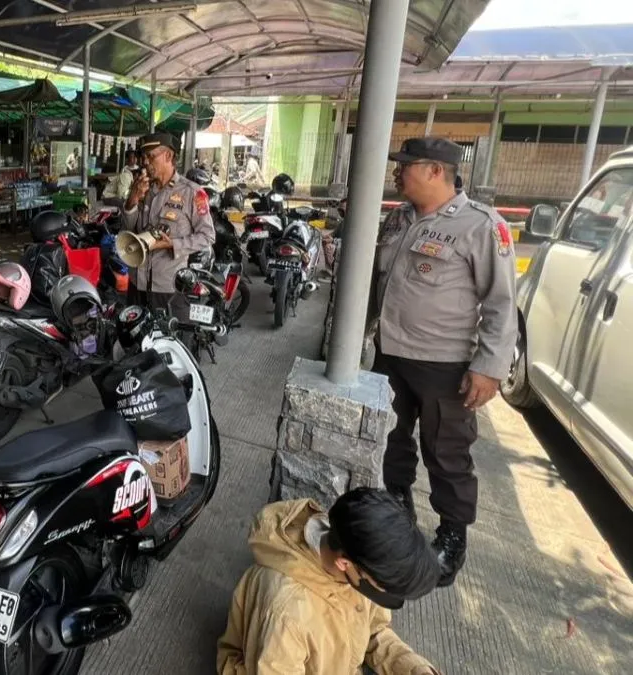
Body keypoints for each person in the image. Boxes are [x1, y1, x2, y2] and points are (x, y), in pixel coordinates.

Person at [371, 137, 518, 587]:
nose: (397, 172)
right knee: (391, 440)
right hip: (391, 352)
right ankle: (397, 508)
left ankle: (452, 537)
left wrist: (489, 366)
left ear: (436, 171)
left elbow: (501, 302)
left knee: (447, 453)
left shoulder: (481, 226)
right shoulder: (400, 217)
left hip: (445, 363)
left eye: (406, 166)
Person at [216, 488, 443, 675]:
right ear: (345, 564)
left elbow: (374, 631)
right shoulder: (287, 614)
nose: (385, 590)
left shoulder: (355, 545)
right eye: (384, 584)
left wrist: (414, 669)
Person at [122, 133, 216, 311]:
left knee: (167, 338)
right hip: (137, 285)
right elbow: (126, 229)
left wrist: (172, 244)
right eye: (144, 157)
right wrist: (132, 200)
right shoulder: (142, 188)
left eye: (150, 156)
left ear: (168, 156)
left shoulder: (192, 193)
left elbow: (207, 236)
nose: (145, 162)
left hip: (168, 288)